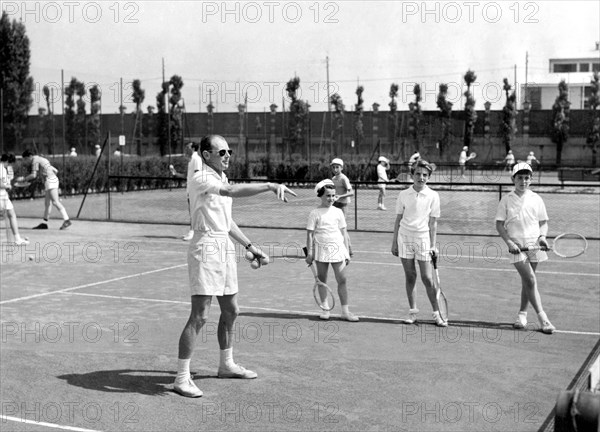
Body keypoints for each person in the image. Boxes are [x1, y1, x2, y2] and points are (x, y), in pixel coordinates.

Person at [173, 134, 296, 398]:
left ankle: (226, 364)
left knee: (231, 310)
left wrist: (251, 247)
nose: (228, 155)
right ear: (207, 155)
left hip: (224, 247)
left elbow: (227, 222)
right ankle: (181, 378)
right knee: (200, 315)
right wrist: (270, 185)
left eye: (229, 151)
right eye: (222, 152)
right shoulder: (201, 177)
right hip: (205, 246)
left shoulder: (221, 178)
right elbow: (231, 193)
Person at [495, 162, 555, 334]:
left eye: (527, 178)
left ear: (531, 179)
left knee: (528, 282)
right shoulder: (506, 199)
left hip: (535, 246)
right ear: (513, 179)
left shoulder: (537, 199)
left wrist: (542, 237)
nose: (523, 181)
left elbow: (543, 222)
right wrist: (510, 243)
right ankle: (543, 319)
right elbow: (499, 225)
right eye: (520, 178)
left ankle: (522, 315)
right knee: (530, 280)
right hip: (516, 247)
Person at [391, 159, 447, 327]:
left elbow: (433, 223)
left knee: (427, 278)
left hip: (423, 239)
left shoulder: (433, 196)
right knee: (410, 276)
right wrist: (394, 242)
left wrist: (433, 245)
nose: (421, 178)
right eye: (418, 174)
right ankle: (413, 312)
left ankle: (437, 313)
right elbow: (398, 219)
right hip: (404, 238)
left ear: (428, 177)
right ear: (412, 175)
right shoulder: (403, 195)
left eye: (424, 175)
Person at [305, 179, 358, 322]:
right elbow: (310, 234)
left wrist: (347, 251)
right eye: (328, 195)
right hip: (321, 250)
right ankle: (325, 309)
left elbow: (344, 233)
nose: (331, 198)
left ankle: (345, 312)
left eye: (333, 195)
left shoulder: (338, 212)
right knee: (322, 280)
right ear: (320, 196)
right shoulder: (314, 213)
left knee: (342, 279)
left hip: (338, 250)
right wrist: (310, 252)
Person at [19, 150, 71, 230]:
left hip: (50, 180)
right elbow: (55, 170)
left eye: (26, 159)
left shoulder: (35, 161)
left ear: (29, 156)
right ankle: (44, 223)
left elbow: (33, 175)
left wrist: (23, 179)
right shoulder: (42, 159)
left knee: (55, 202)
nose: (26, 161)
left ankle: (66, 220)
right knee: (47, 203)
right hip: (50, 180)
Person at [0, 155, 29, 245]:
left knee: (11, 214)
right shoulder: (2, 169)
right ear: (7, 161)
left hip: (3, 195)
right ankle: (17, 239)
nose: (10, 166)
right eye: (10, 163)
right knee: (11, 215)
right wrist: (7, 186)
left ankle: (17, 239)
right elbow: (1, 184)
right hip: (1, 196)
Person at [330, 158, 353, 256]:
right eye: (333, 167)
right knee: (335, 228)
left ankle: (349, 250)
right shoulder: (333, 179)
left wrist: (341, 196)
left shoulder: (344, 178)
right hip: (335, 205)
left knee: (342, 228)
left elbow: (351, 192)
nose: (335, 169)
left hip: (343, 205)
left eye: (337, 167)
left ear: (342, 168)